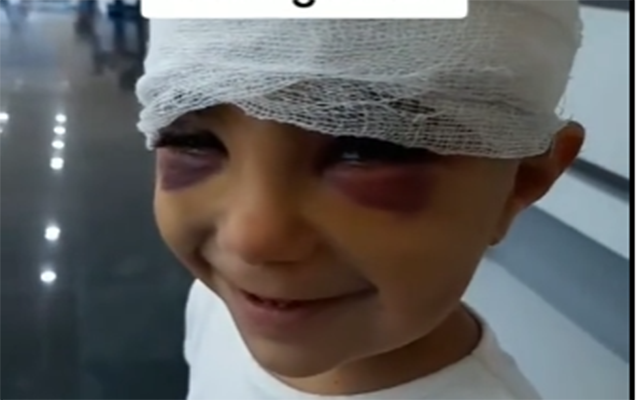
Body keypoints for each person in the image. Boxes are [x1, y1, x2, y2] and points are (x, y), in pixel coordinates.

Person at [135, 0, 585, 399]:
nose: (252, 240)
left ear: (523, 180)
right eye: (193, 141)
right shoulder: (219, 306)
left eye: (365, 149)